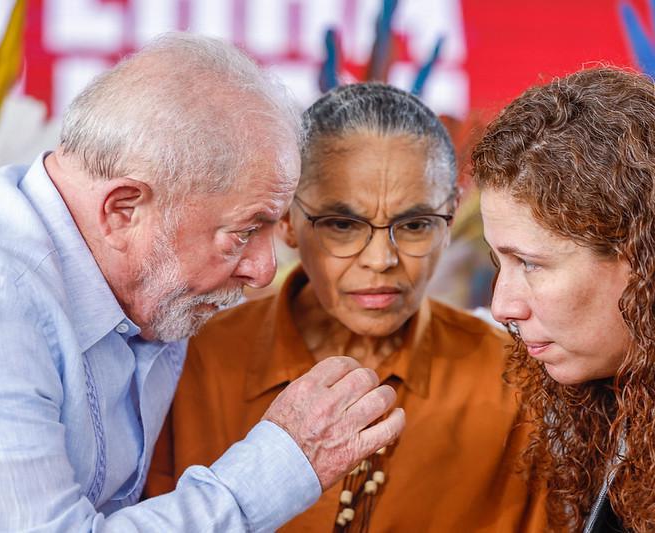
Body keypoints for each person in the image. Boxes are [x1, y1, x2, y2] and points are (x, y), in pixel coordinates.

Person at [0, 34, 404, 532]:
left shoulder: (154, 287)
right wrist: (284, 464)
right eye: (244, 232)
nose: (264, 270)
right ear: (123, 210)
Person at [145, 82, 547, 532]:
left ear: (451, 217)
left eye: (415, 224)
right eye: (341, 224)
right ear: (288, 221)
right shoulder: (188, 363)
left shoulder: (515, 378)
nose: (380, 260)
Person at [473, 67, 655, 531]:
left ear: (646, 260)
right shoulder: (631, 405)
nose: (502, 306)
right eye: (499, 262)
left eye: (529, 263)